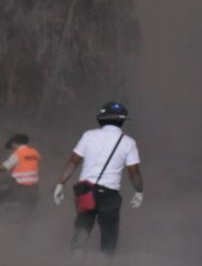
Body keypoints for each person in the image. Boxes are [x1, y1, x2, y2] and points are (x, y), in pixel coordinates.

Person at [52, 101, 144, 255]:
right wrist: (139, 191)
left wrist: (60, 184)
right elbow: (134, 172)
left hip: (85, 191)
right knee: (109, 237)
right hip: (109, 195)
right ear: (122, 121)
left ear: (101, 118)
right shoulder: (128, 142)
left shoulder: (89, 136)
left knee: (81, 231)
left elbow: (74, 161)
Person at [0, 133, 41, 214]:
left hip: (20, 189)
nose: (12, 147)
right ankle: (27, 223)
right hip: (34, 189)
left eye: (12, 144)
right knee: (27, 213)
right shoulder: (35, 153)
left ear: (14, 143)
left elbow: (3, 168)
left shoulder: (18, 154)